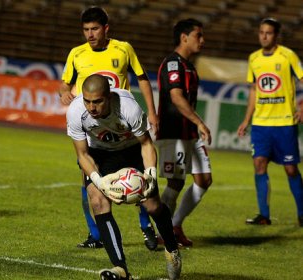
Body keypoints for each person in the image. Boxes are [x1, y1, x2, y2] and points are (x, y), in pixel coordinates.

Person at [59, 6, 159, 250]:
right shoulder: (76, 54)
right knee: (90, 183)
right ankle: (97, 234)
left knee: (140, 180)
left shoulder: (123, 49)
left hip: (123, 128)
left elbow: (142, 78)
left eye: (94, 29)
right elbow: (65, 84)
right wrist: (65, 94)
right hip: (93, 131)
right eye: (85, 30)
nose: (90, 34)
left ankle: (147, 228)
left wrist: (152, 111)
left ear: (106, 29)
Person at [66, 74, 181, 280]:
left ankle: (172, 249)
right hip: (98, 153)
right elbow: (82, 154)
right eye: (88, 101)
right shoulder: (75, 111)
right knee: (98, 202)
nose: (91, 107)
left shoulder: (128, 107)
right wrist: (99, 182)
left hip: (131, 150)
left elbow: (146, 144)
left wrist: (151, 174)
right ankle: (120, 268)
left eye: (98, 101)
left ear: (108, 96)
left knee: (153, 206)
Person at [237, 17, 303, 227]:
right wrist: (246, 119)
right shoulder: (254, 58)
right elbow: (254, 90)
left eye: (268, 33)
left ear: (276, 36)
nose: (264, 36)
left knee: (291, 169)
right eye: (261, 32)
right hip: (261, 123)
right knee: (259, 164)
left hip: (284, 122)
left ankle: (302, 214)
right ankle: (264, 215)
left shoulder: (287, 55)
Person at [156, 18, 212, 247]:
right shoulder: (173, 63)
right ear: (184, 37)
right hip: (174, 133)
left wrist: (195, 126)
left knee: (204, 179)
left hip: (189, 133)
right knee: (175, 183)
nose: (202, 40)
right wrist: (199, 122)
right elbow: (176, 97)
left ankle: (175, 225)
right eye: (198, 35)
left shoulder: (190, 66)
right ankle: (161, 233)